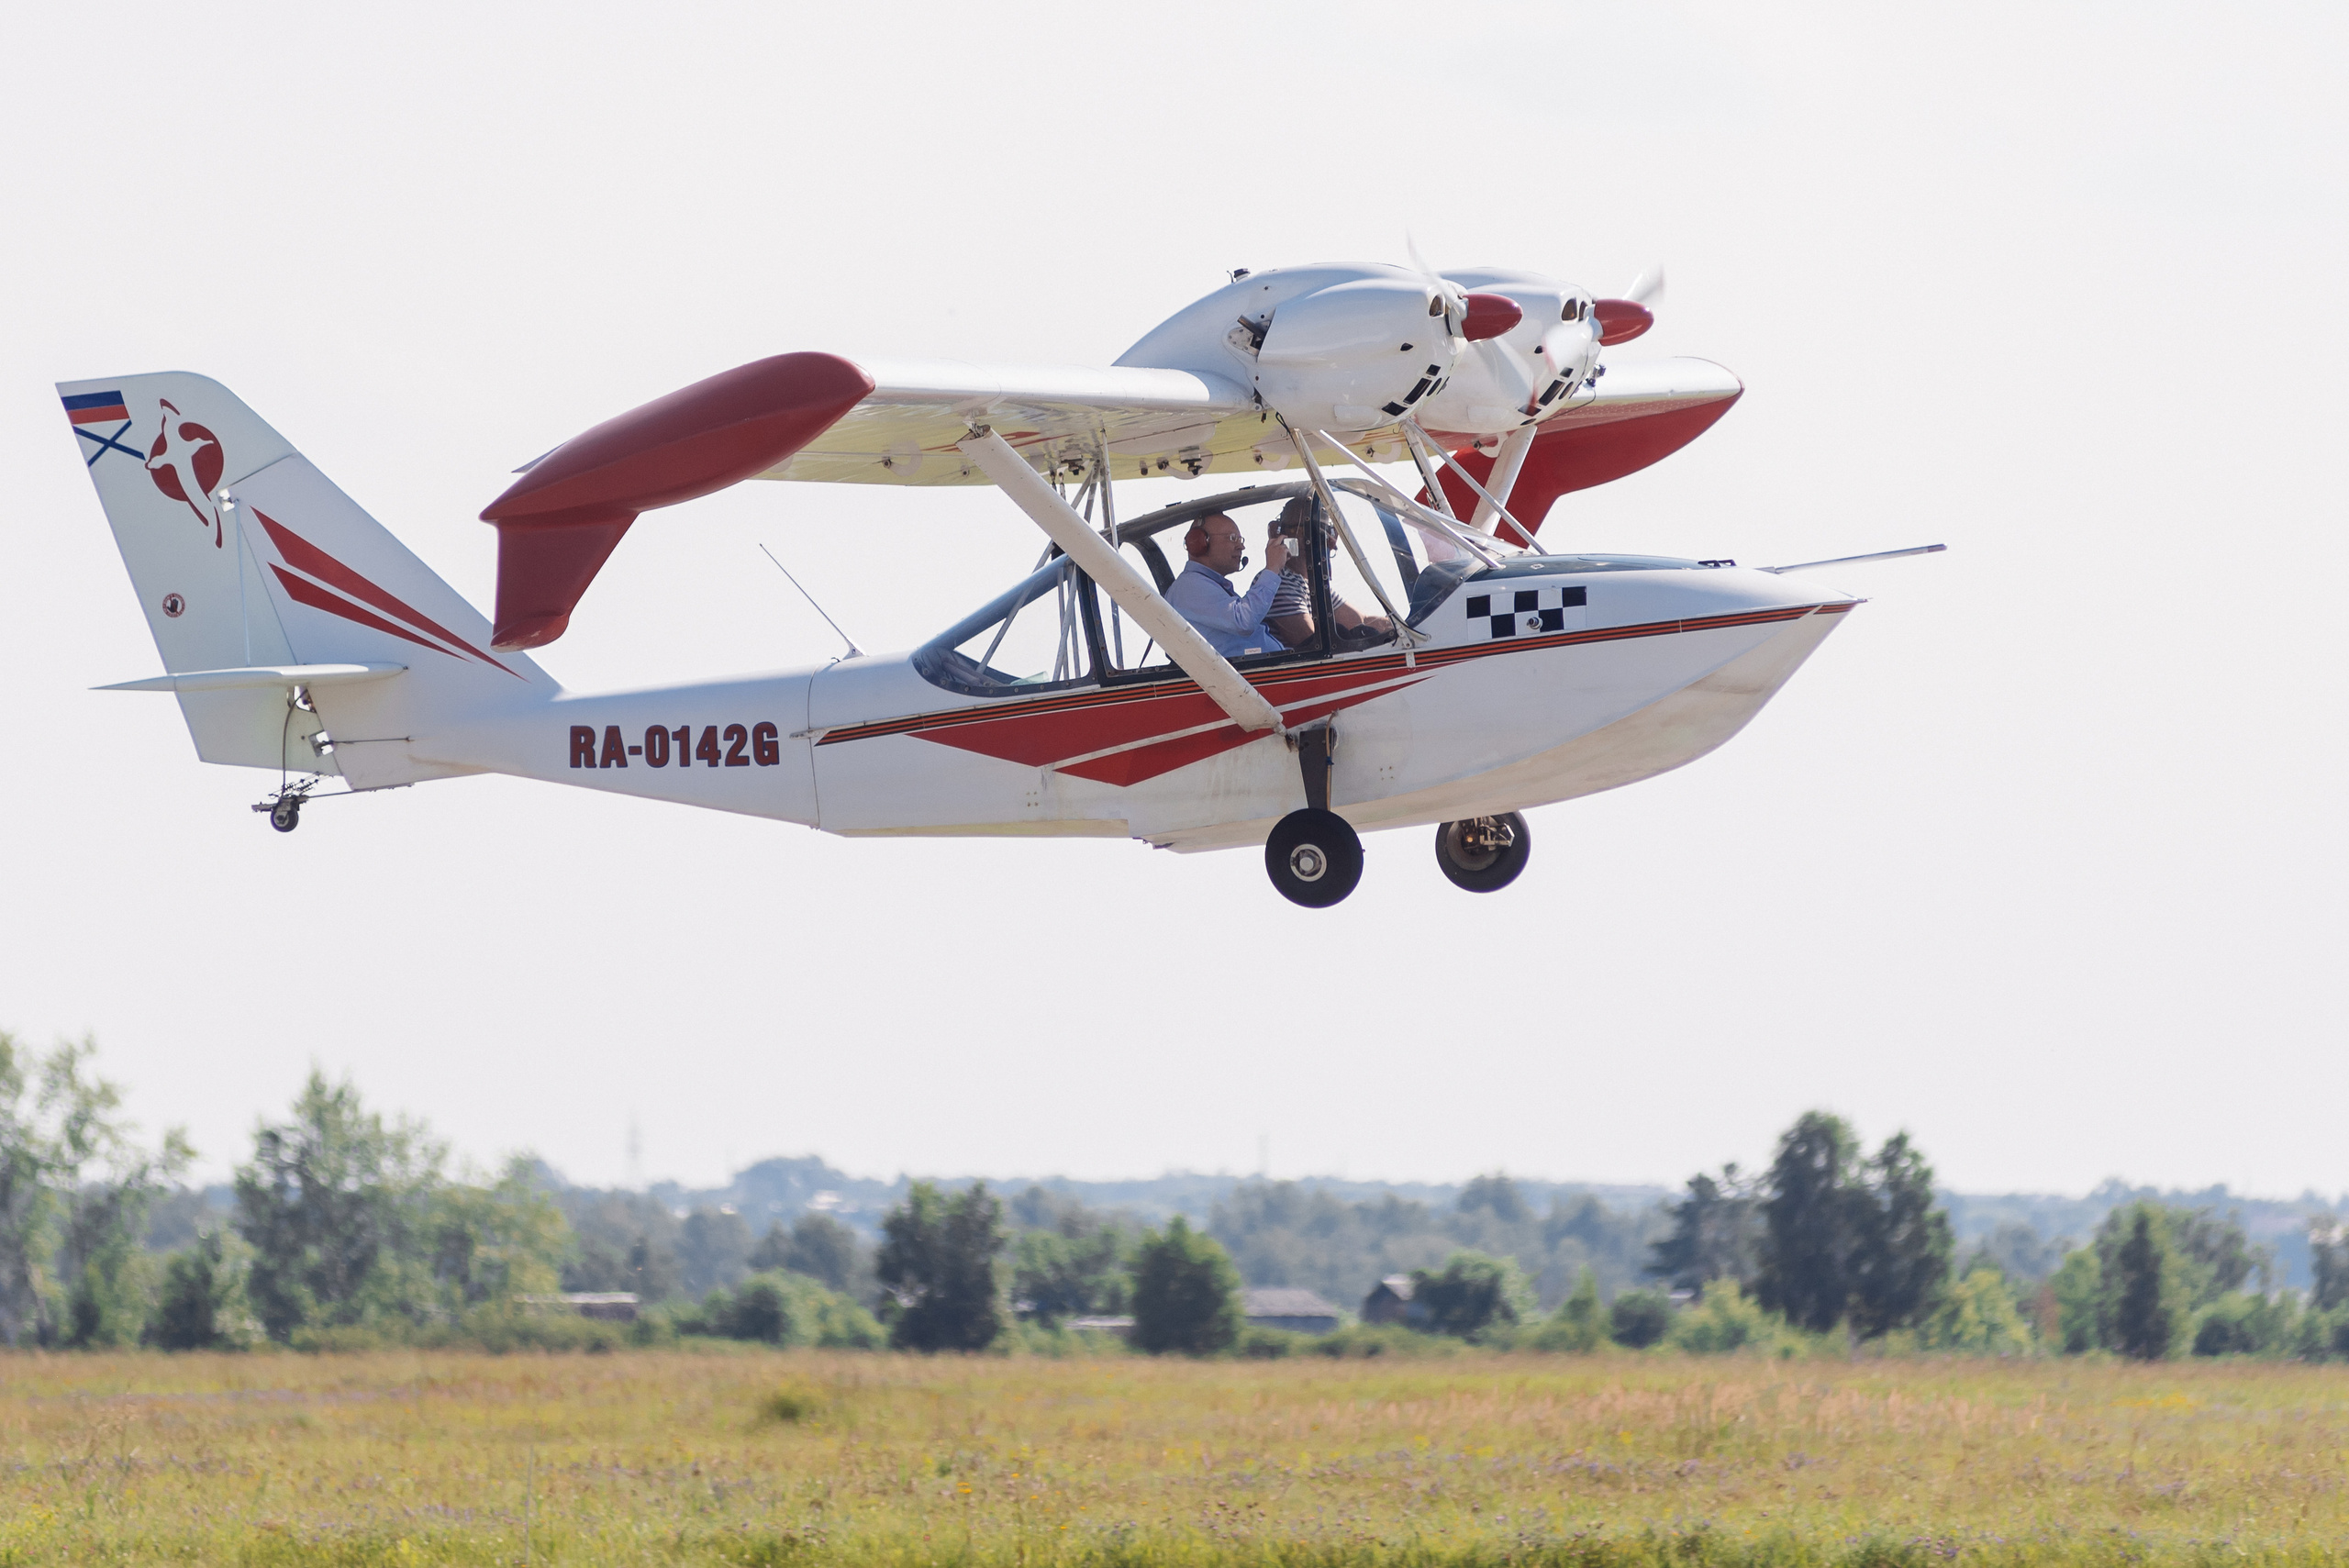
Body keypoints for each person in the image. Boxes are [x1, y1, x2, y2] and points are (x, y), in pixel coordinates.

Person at [1263, 496, 1394, 651]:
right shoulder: (1277, 582)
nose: (1309, 538)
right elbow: (1314, 643)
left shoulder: (1312, 583)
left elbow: (1361, 621)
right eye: (1300, 530)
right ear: (1279, 533)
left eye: (1320, 530)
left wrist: (1396, 628)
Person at [1164, 511, 1289, 657]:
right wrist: (1272, 569)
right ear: (1199, 543)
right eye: (1232, 538)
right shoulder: (1189, 587)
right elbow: (1244, 621)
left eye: (1240, 540)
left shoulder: (1207, 585)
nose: (1241, 547)